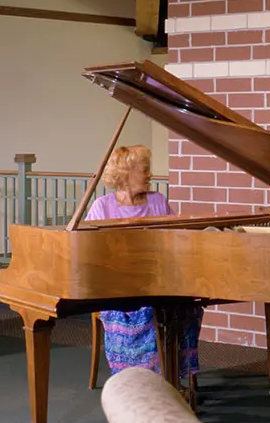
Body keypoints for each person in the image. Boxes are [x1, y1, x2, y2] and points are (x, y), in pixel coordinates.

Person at [85, 145, 200, 381]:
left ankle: (176, 377)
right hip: (117, 288)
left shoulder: (158, 201)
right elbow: (89, 252)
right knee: (143, 312)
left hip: (156, 282)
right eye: (144, 170)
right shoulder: (102, 207)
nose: (150, 175)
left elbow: (175, 240)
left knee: (190, 306)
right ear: (126, 173)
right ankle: (140, 382)